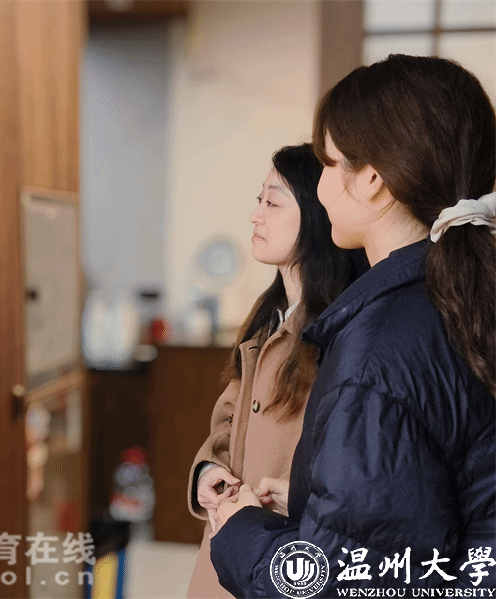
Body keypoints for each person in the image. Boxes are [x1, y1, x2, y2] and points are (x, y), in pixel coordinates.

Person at [210, 54, 496, 596]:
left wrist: (240, 531)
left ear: (372, 179)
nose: (321, 186)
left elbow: (343, 581)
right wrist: (317, 506)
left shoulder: (378, 346)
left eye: (328, 163)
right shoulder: (461, 297)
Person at [186, 143, 367, 598]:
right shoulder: (266, 318)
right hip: (230, 541)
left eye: (272, 202)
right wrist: (208, 470)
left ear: (315, 215)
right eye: (258, 200)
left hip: (285, 554)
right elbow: (228, 420)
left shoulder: (340, 331)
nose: (256, 215)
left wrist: (299, 496)